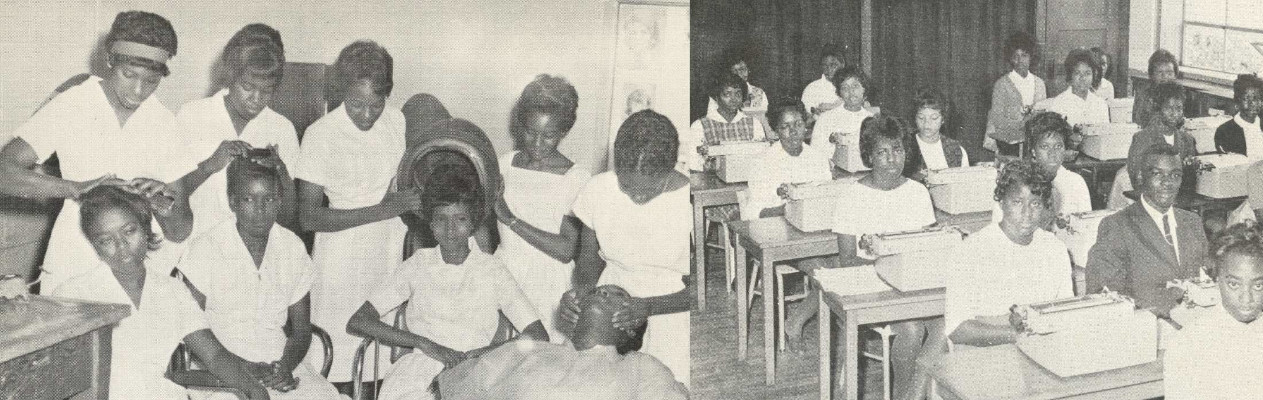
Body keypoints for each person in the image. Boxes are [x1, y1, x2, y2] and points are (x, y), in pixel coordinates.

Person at [0, 11, 194, 293]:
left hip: (137, 271)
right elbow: (4, 173)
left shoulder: (164, 123)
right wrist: (77, 188)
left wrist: (162, 204)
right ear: (109, 59)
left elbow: (180, 230)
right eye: (129, 75)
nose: (138, 91)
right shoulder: (74, 103)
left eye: (151, 81)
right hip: (74, 258)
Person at [347, 170, 547, 400]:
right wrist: (424, 343)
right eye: (441, 219)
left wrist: (483, 354)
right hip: (418, 373)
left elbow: (537, 335)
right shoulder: (418, 264)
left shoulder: (493, 270)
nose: (450, 229)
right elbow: (359, 320)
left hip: (476, 370)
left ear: (473, 223)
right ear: (430, 224)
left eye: (460, 219)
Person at [54, 186, 268, 400]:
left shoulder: (172, 290)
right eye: (106, 240)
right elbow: (63, 378)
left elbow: (213, 355)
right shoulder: (73, 295)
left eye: (129, 231)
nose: (121, 245)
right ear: (95, 246)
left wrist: (253, 389)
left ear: (146, 229)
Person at [789, 115, 938, 400]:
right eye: (882, 152)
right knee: (912, 329)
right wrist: (895, 269)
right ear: (868, 156)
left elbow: (928, 248)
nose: (892, 159)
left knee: (947, 323)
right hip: (872, 286)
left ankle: (911, 394)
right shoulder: (852, 196)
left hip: (912, 285)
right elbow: (847, 261)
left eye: (898, 150)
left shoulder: (918, 192)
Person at [295, 40, 410, 392]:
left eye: (375, 104)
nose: (366, 114)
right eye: (356, 104)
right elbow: (309, 217)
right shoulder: (321, 135)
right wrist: (381, 210)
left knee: (380, 365)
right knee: (337, 365)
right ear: (342, 90)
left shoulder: (396, 121)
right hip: (340, 259)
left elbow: (398, 183)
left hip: (386, 250)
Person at [178, 158, 341, 399]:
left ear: (279, 202)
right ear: (233, 202)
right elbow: (191, 328)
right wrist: (246, 369)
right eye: (248, 199)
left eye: (269, 199)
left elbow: (301, 331)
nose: (260, 208)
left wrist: (285, 367)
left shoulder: (292, 248)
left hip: (279, 360)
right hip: (219, 364)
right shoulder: (207, 247)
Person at [565, 110, 693, 386]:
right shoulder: (599, 189)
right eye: (626, 186)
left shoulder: (690, 202)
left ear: (670, 169)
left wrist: (648, 306)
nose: (636, 197)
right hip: (611, 306)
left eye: (647, 191)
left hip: (671, 312)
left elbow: (703, 291)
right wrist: (582, 296)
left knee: (663, 387)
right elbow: (588, 258)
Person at [434, 285, 689, 400]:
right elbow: (460, 389)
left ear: (633, 327)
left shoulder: (640, 367)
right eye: (597, 290)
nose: (602, 292)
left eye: (617, 295)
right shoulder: (526, 351)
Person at [178, 24, 299, 238]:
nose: (256, 99)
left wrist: (281, 171)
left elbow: (288, 218)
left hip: (254, 253)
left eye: (266, 90)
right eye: (247, 86)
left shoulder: (282, 128)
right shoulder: (193, 115)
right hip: (197, 247)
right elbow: (171, 198)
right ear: (230, 77)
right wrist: (209, 166)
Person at [938, 159, 1074, 350]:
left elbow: (1065, 313)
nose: (1027, 213)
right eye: (1017, 202)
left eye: (1035, 203)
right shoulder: (970, 250)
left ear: (1045, 205)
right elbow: (957, 329)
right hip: (985, 357)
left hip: (1040, 350)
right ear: (1001, 202)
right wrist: (1022, 334)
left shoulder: (1055, 249)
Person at [495, 75, 592, 342]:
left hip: (547, 287)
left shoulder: (576, 178)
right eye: (530, 131)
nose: (537, 143)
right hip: (502, 275)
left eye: (548, 136)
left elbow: (566, 250)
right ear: (520, 124)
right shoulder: (504, 164)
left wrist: (510, 219)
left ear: (563, 132)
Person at [1087, 143, 1209, 318]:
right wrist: (1164, 301)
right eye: (1157, 174)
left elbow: (1207, 277)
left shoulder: (1192, 222)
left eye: (1175, 175)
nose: (1167, 182)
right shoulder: (1117, 226)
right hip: (1146, 328)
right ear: (1140, 177)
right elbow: (1103, 295)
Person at [1162, 221, 1263, 400]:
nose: (1246, 298)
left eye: (1258, 285)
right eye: (1234, 284)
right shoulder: (1188, 344)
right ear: (1216, 280)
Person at [989, 112, 1092, 224]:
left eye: (1058, 146)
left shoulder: (1076, 183)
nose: (1052, 154)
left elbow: (1086, 229)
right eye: (1045, 146)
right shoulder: (1016, 182)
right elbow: (999, 230)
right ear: (1033, 151)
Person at [741, 102, 832, 219]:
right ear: (776, 130)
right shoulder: (763, 161)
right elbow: (753, 212)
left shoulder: (818, 158)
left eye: (798, 124)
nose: (793, 131)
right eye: (785, 126)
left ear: (805, 126)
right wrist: (788, 209)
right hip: (774, 226)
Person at [687, 71, 767, 172]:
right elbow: (693, 163)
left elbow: (763, 157)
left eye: (738, 94)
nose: (733, 99)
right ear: (717, 98)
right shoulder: (700, 126)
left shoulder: (753, 123)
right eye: (727, 94)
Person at [986, 32, 1047, 156]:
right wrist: (1022, 124)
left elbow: (1044, 116)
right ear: (1010, 58)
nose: (1020, 61)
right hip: (1009, 146)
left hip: (1035, 143)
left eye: (1024, 55)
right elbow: (997, 120)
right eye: (1015, 56)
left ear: (1031, 57)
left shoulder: (1040, 83)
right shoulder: (1001, 84)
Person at [1126, 82, 1198, 188]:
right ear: (1158, 110)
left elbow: (1191, 178)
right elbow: (1136, 178)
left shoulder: (1187, 140)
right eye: (1169, 108)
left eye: (1179, 109)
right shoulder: (1142, 138)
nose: (1175, 114)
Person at [812, 66, 876, 170]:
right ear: (839, 93)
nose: (851, 92)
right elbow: (815, 155)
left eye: (855, 86)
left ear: (863, 89)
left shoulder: (871, 119)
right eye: (845, 88)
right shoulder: (826, 119)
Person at [904, 88, 969, 182]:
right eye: (921, 117)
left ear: (943, 119)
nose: (927, 124)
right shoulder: (906, 148)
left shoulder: (957, 150)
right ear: (914, 117)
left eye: (934, 118)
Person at [1037, 48, 1110, 127]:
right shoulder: (1057, 105)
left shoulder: (1101, 104)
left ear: (1093, 75)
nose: (1083, 78)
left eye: (1087, 73)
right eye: (1077, 73)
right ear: (1070, 75)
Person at [1214, 74, 1263, 159]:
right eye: (1247, 98)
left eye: (1257, 98)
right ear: (1237, 102)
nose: (1253, 103)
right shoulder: (1225, 132)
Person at [1133, 49, 1180, 128]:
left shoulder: (1180, 95)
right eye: (1160, 72)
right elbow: (1138, 123)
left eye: (1169, 73)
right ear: (1151, 75)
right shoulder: (1144, 95)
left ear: (1175, 75)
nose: (1165, 77)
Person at [801, 44, 847, 116]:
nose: (829, 70)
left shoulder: (850, 86)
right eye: (825, 66)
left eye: (833, 65)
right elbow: (806, 119)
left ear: (843, 64)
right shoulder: (812, 89)